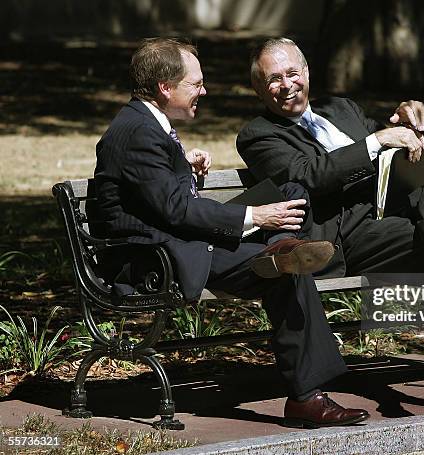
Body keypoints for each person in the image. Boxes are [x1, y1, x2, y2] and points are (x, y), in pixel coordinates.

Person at [93, 37, 370, 428]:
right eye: (196, 84)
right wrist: (254, 214)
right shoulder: (137, 131)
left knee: (290, 194)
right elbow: (174, 210)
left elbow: (154, 193)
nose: (204, 91)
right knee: (285, 271)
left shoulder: (144, 125)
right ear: (165, 88)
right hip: (156, 258)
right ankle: (307, 398)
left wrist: (183, 166)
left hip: (182, 239)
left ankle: (283, 246)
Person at [237, 37, 424, 411]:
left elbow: (394, 143)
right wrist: (376, 140)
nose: (287, 84)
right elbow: (309, 175)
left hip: (391, 217)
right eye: (274, 78)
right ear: (259, 88)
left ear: (307, 73)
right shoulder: (259, 134)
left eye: (293, 72)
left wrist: (411, 123)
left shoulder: (341, 109)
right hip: (345, 236)